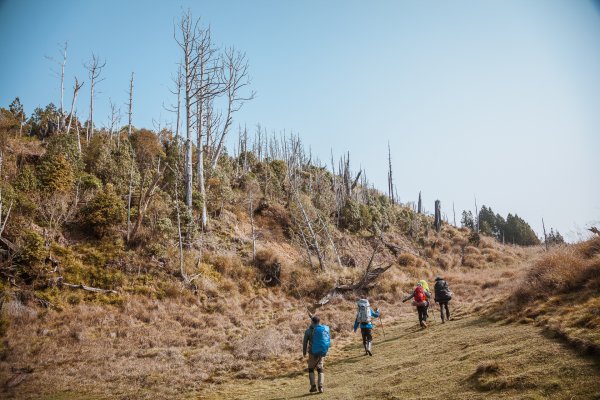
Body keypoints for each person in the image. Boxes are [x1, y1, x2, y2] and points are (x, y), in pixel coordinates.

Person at [303, 315, 330, 393]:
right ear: (319, 321)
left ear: (312, 322)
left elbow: (305, 343)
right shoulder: (323, 329)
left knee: (311, 369)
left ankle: (313, 386)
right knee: (320, 369)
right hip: (321, 352)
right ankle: (321, 387)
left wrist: (304, 352)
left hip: (312, 352)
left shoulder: (308, 331)